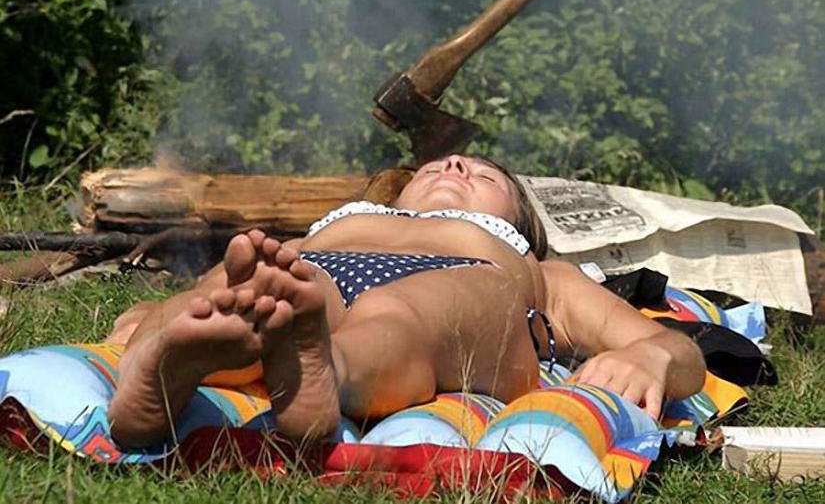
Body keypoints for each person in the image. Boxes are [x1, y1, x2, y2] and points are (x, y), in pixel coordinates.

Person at [106, 155, 706, 448]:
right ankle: (175, 357)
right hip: (320, 270)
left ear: (521, 224)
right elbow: (212, 285)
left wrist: (649, 360)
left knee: (403, 316)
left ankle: (324, 371)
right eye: (440, 166)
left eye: (483, 176)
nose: (454, 165)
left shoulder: (537, 270)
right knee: (253, 288)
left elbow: (675, 349)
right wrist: (154, 314)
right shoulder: (324, 232)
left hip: (463, 279)